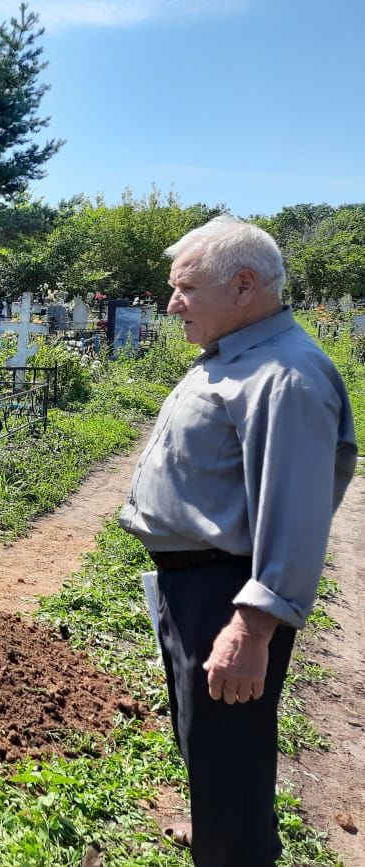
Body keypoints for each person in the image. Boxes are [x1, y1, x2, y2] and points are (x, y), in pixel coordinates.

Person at [119, 216, 357, 866]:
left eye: (186, 288)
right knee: (213, 744)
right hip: (196, 586)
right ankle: (218, 827)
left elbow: (295, 512)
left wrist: (251, 630)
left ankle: (235, 849)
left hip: (228, 594)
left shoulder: (286, 376)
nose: (172, 304)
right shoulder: (239, 354)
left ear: (244, 284)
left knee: (229, 750)